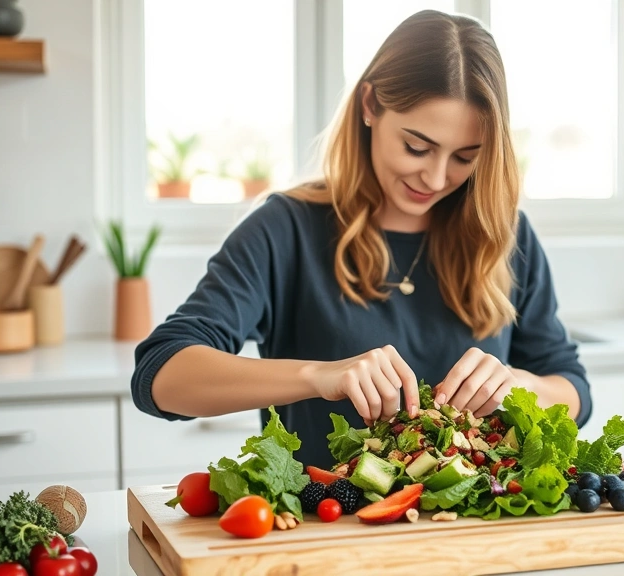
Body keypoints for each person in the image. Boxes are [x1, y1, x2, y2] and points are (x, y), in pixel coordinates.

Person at [131, 9, 592, 468]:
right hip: (329, 529)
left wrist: (520, 385)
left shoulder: (505, 234)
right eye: (417, 147)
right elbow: (161, 376)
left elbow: (574, 391)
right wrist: (317, 375)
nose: (434, 177)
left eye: (464, 157)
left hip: (471, 532)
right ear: (370, 105)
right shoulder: (285, 229)